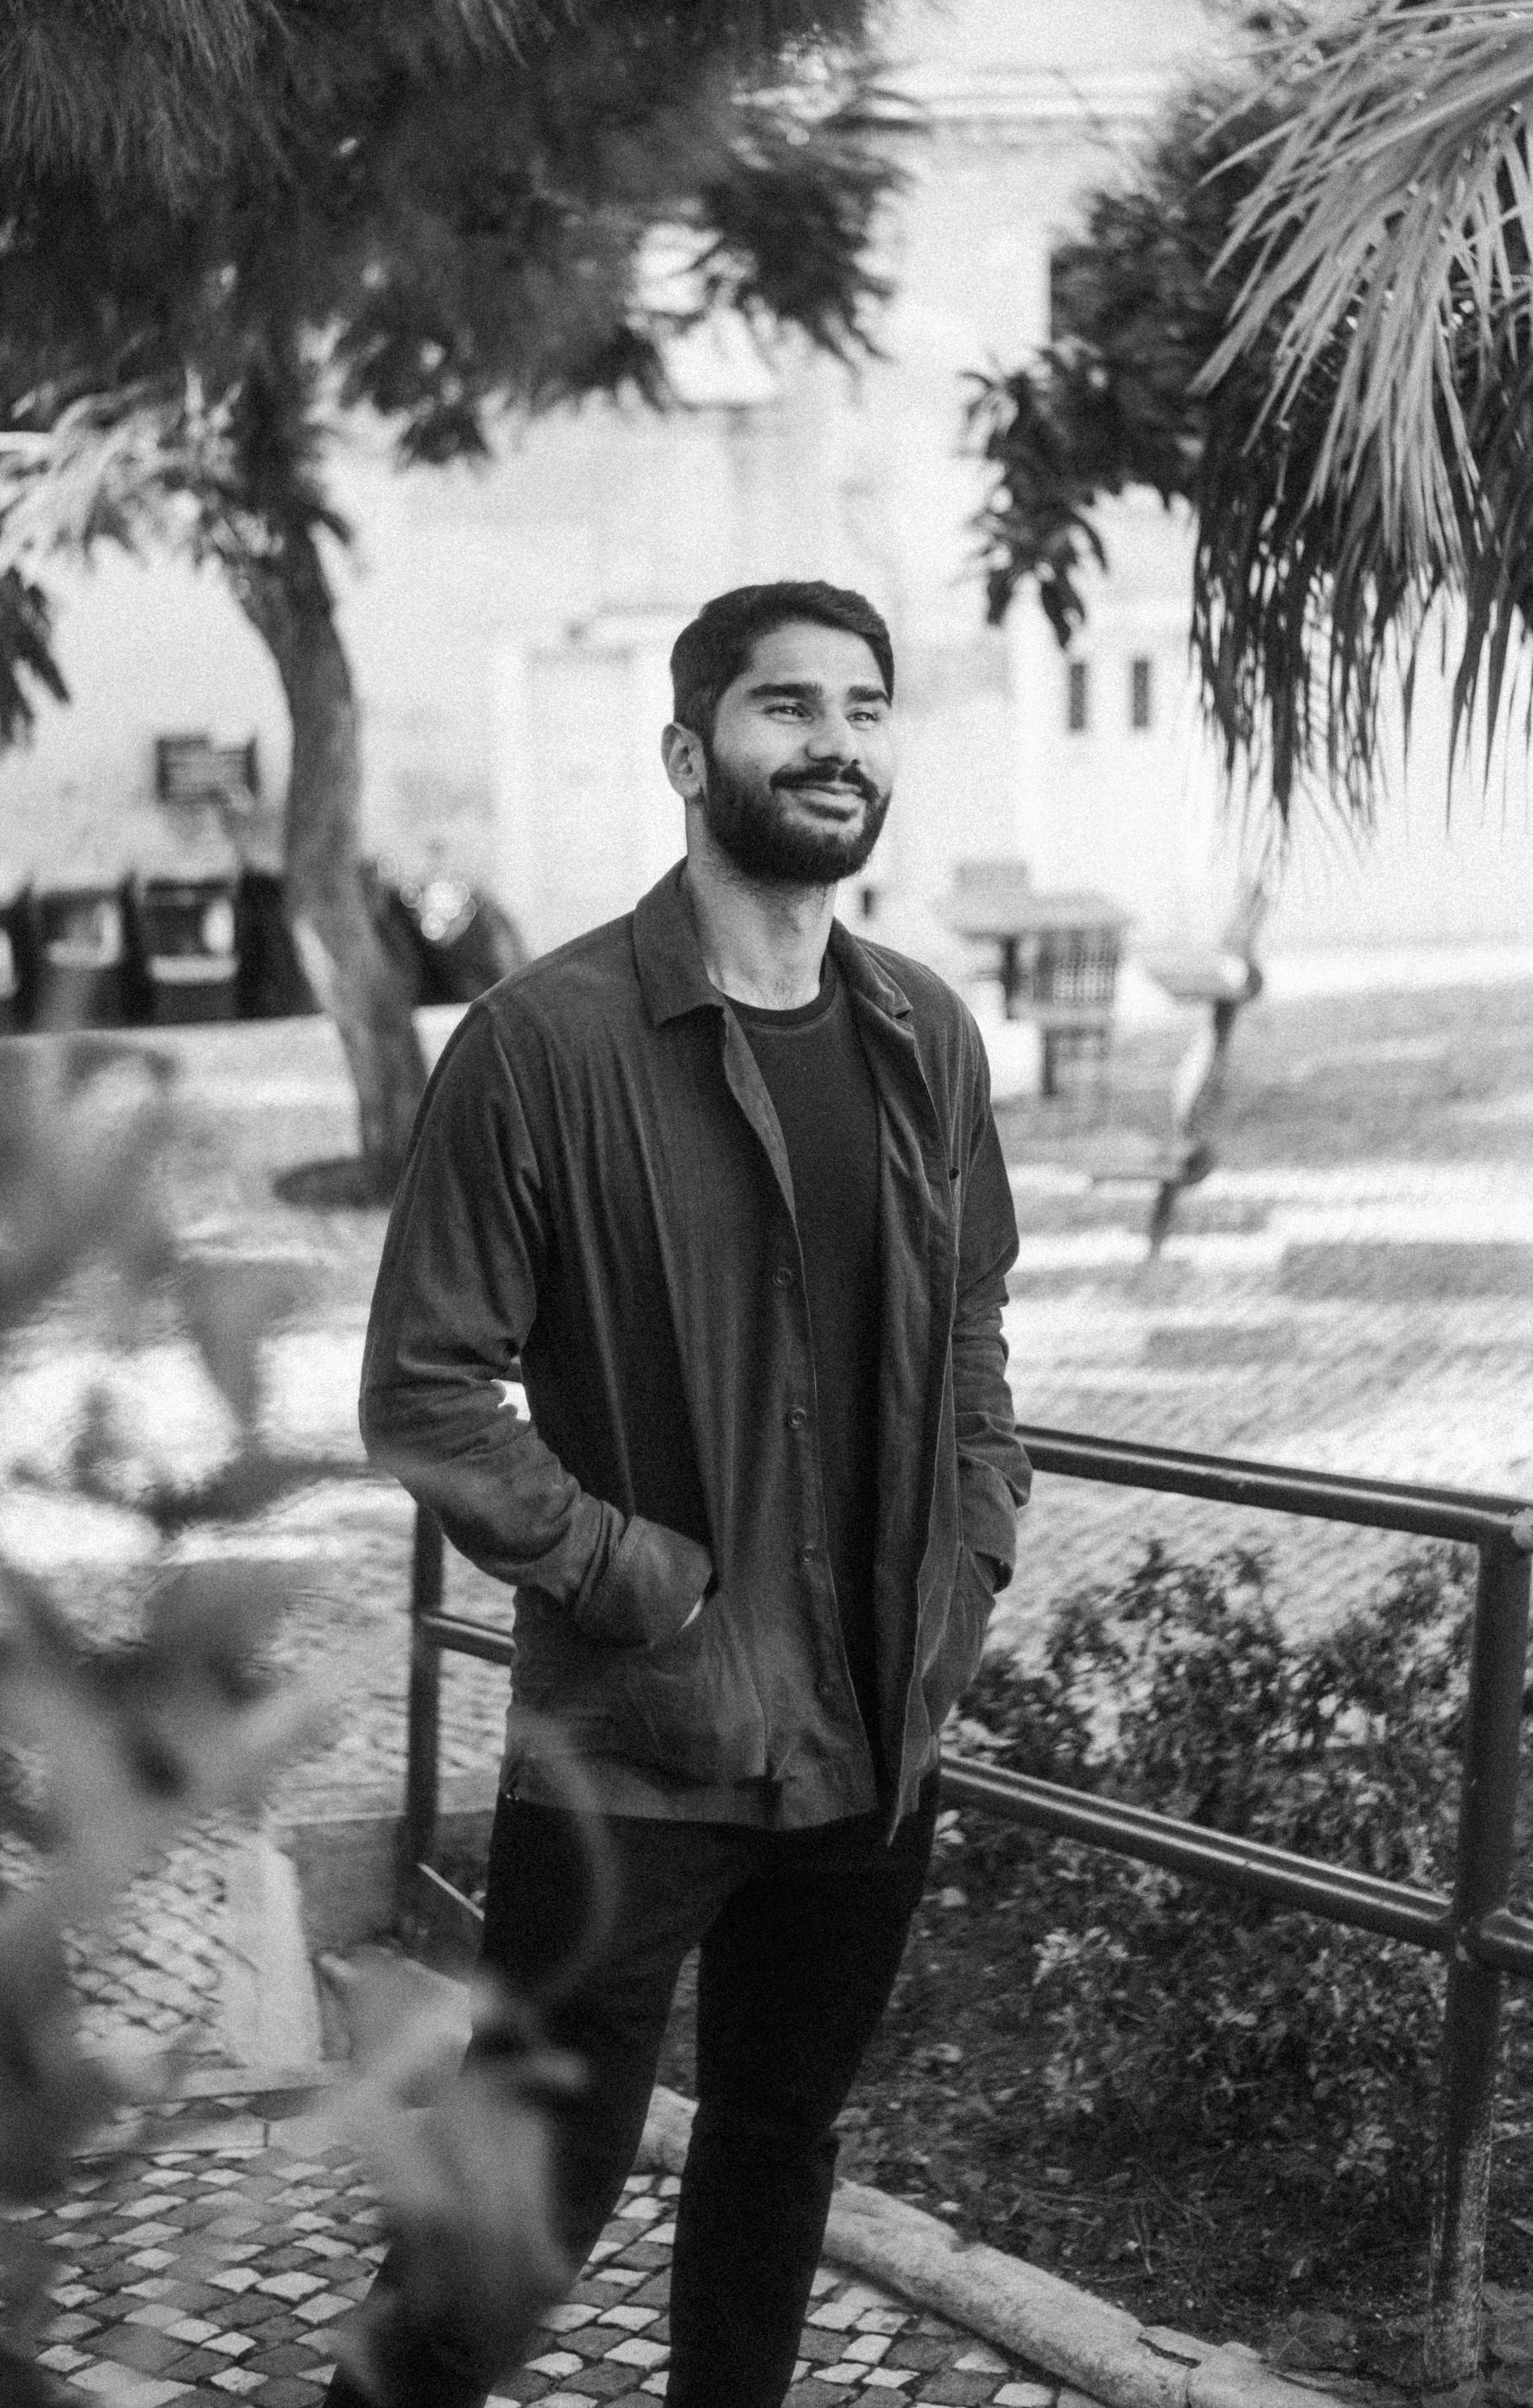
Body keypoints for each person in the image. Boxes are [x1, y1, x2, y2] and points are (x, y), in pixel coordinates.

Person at [337, 576, 1028, 2408]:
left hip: (874, 1724)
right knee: (525, 2206)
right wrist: (625, 1573)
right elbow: (420, 1389)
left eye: (864, 708)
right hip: (638, 1739)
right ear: (685, 748)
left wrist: (968, 1546)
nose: (832, 741)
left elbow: (971, 1327)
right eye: (783, 706)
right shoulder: (545, 1044)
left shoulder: (923, 1034)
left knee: (779, 2149)